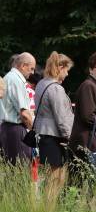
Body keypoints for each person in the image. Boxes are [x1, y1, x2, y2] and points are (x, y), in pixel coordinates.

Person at [33, 52, 74, 202]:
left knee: (51, 176)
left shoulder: (41, 83)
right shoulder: (55, 88)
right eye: (67, 69)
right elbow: (61, 117)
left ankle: (47, 209)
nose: (68, 74)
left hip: (43, 134)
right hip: (54, 136)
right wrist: (69, 137)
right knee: (56, 178)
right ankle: (49, 210)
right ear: (60, 68)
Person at [1, 52, 36, 163]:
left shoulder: (10, 78)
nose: (32, 72)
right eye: (31, 68)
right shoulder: (16, 80)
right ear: (23, 65)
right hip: (15, 130)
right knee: (22, 169)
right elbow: (24, 114)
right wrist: (33, 132)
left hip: (9, 129)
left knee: (13, 170)